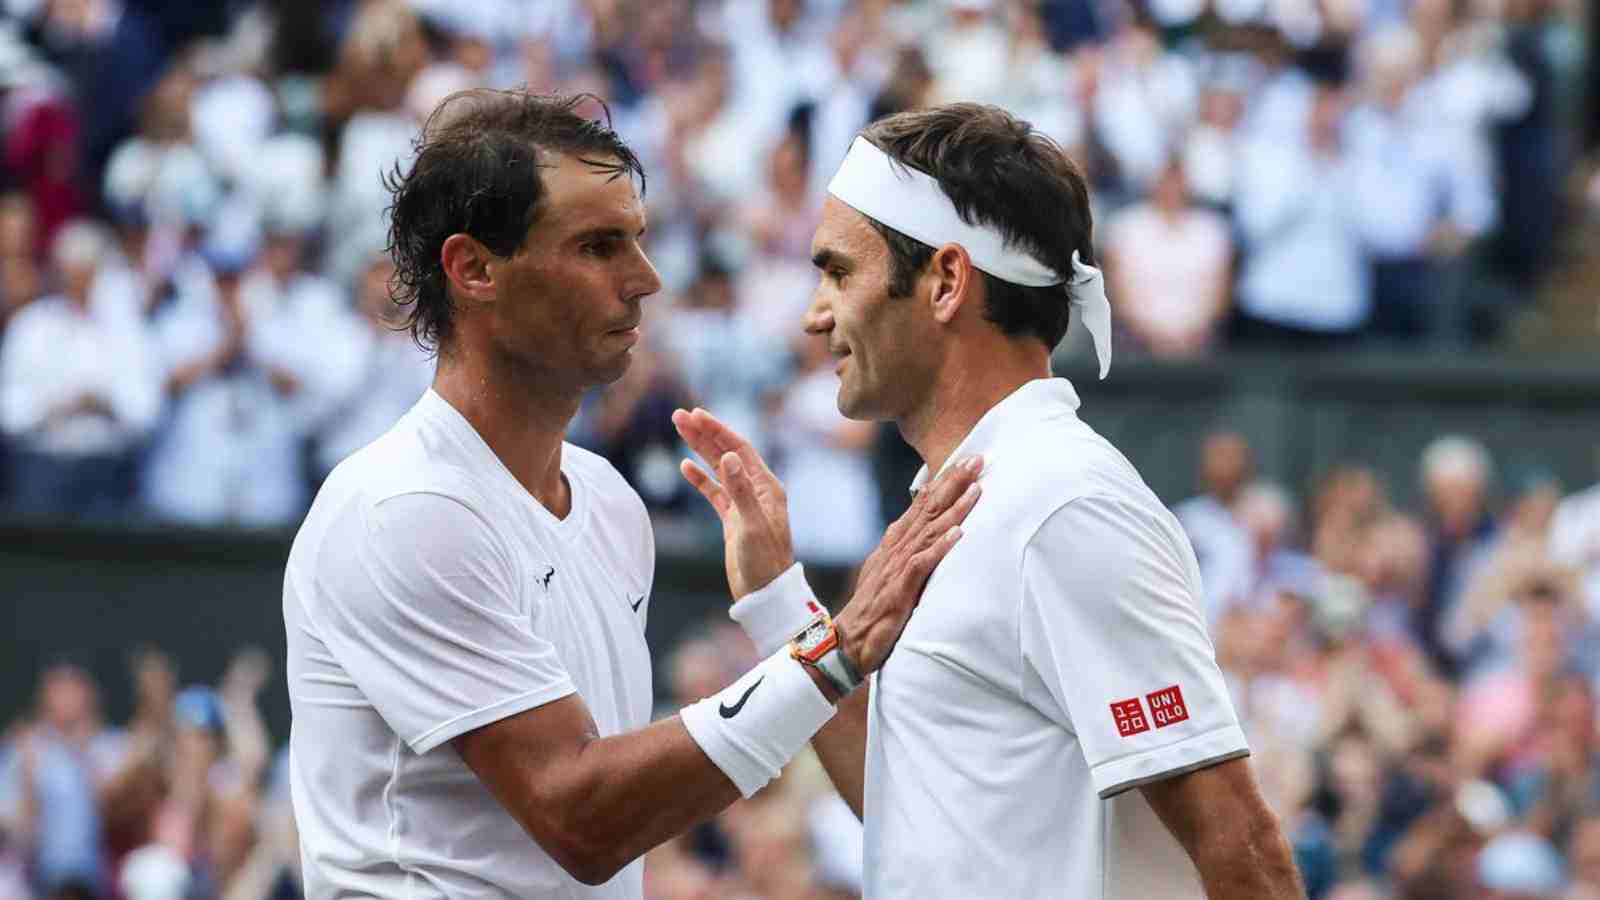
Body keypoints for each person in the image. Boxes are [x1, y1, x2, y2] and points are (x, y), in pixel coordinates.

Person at [281, 89, 981, 900]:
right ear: (473, 269)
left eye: (638, 242)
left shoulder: (611, 505)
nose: (645, 279)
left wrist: (790, 611)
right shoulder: (402, 508)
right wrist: (838, 647)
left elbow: (621, 811)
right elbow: (581, 817)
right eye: (597, 247)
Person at [673, 103, 1303, 898]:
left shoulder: (1062, 504)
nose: (814, 315)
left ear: (944, 282)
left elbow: (1239, 843)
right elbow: (923, 822)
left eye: (838, 271)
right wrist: (779, 604)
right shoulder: (975, 498)